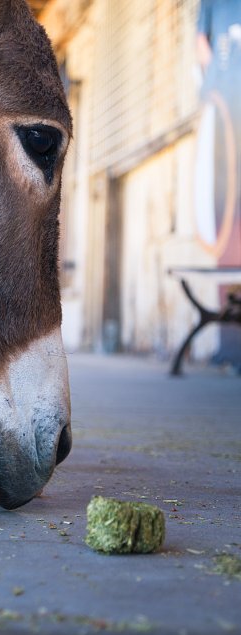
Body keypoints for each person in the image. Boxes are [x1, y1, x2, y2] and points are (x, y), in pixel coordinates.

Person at [195, 0, 241, 366]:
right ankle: (232, 343)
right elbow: (201, 45)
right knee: (230, 227)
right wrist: (217, 90)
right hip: (229, 114)